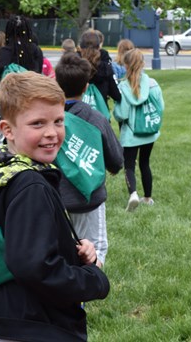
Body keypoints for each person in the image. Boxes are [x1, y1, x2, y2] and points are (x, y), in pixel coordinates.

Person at [0, 72, 110, 341]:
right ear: (7, 129)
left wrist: (72, 250)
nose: (51, 133)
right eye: (37, 123)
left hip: (9, 318)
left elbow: (23, 241)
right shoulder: (30, 185)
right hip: (32, 326)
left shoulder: (4, 172)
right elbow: (35, 267)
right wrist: (94, 280)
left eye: (58, 121)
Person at [54, 53, 124, 266]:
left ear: (56, 83)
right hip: (89, 199)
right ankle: (82, 294)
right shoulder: (96, 119)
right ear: (86, 86)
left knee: (61, 251)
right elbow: (116, 159)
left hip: (56, 199)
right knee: (95, 250)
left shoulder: (49, 118)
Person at [114, 48, 164, 212]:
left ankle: (133, 194)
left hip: (131, 134)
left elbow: (122, 114)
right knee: (145, 163)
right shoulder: (153, 83)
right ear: (143, 63)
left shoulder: (123, 86)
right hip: (149, 132)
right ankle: (148, 197)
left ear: (126, 65)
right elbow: (160, 107)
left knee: (129, 165)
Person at [0, 15, 44, 85]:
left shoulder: (3, 52)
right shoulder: (36, 50)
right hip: (32, 89)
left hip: (9, 91)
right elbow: (38, 71)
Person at [78, 30, 121, 109]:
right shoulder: (105, 68)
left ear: (80, 47)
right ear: (99, 47)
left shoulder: (73, 66)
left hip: (77, 114)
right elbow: (117, 95)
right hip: (100, 115)